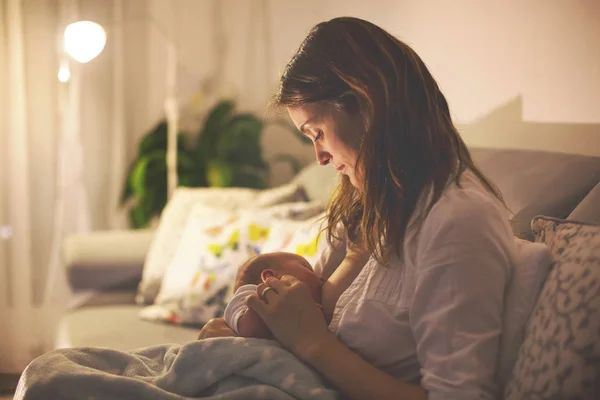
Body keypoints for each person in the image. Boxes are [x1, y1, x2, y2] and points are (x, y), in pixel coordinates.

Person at [198, 16, 516, 400]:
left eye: (317, 132)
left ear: (366, 102)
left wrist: (313, 343)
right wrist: (234, 334)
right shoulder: (362, 207)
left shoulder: (458, 223)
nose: (319, 157)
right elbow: (305, 312)